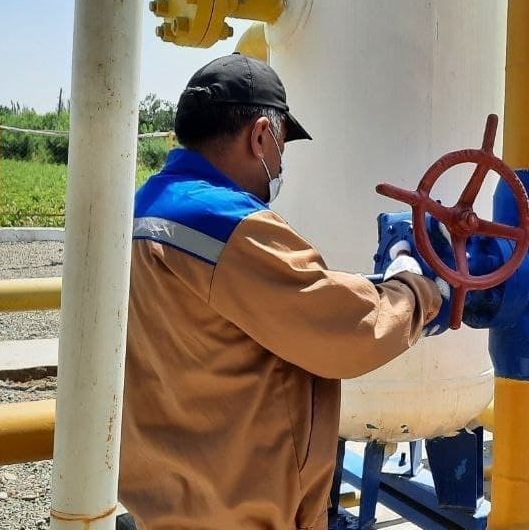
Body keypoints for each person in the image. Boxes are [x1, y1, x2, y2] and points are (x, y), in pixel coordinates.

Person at [117, 54, 447, 530]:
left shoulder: (140, 206)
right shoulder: (230, 226)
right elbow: (348, 332)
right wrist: (416, 288)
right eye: (280, 147)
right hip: (238, 511)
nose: (279, 163)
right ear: (260, 136)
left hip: (164, 501)